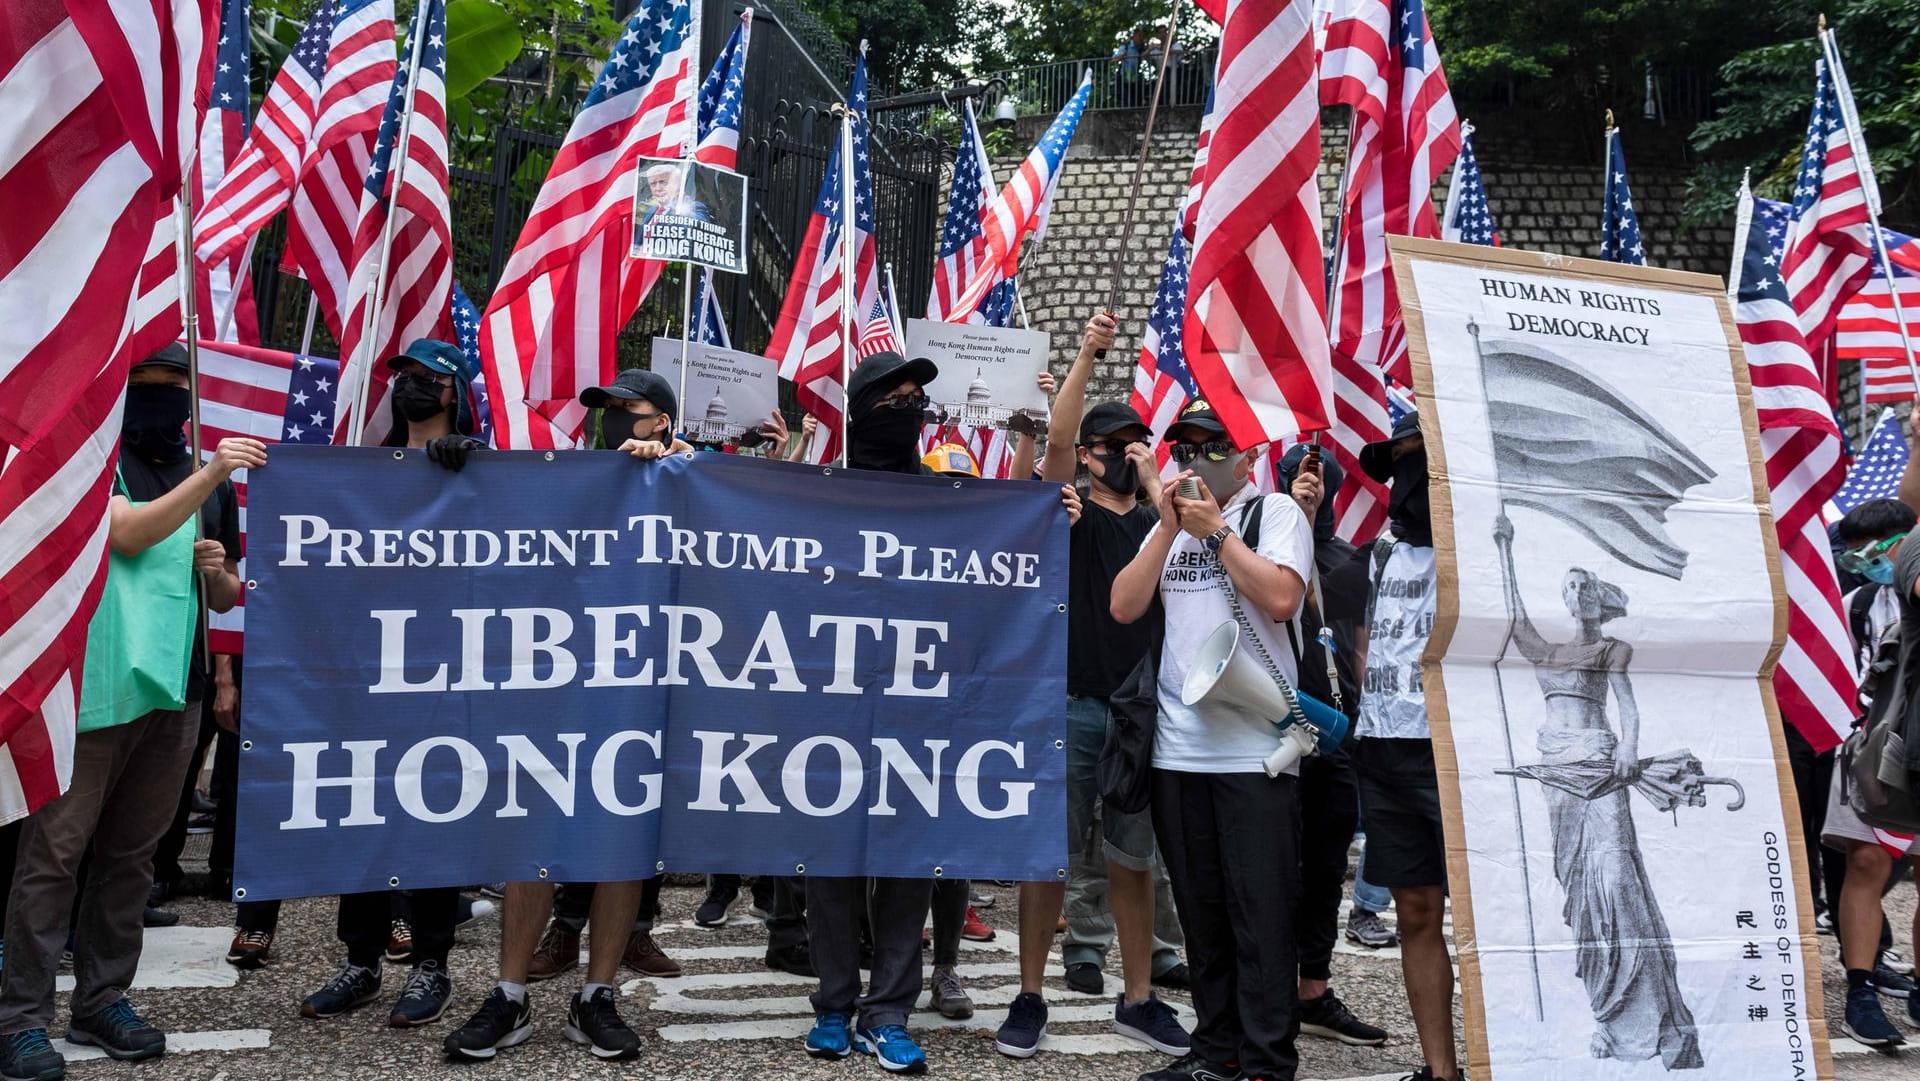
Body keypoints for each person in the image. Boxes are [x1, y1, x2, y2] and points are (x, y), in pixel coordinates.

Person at [800, 351, 1078, 1074]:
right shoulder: (811, 494)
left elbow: (999, 564)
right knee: (829, 863)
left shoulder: (946, 498)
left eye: (914, 398)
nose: (908, 407)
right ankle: (833, 1003)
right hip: (827, 708)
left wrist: (1047, 517)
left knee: (908, 863)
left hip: (918, 713)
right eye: (892, 397)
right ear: (860, 412)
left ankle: (887, 1009)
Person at [0, 344, 254, 1079]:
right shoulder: (91, 460)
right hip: (95, 688)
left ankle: (103, 998)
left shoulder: (211, 483)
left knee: (131, 856)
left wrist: (220, 574)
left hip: (179, 687)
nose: (163, 401)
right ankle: (21, 1017)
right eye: (146, 387)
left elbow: (228, 593)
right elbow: (126, 531)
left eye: (176, 388)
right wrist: (210, 473)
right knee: (55, 854)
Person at [442, 367, 688, 1063]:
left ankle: (597, 996)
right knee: (534, 836)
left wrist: (675, 464)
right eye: (603, 410)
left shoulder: (684, 473)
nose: (610, 419)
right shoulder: (569, 478)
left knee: (622, 845)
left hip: (640, 689)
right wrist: (451, 469)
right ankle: (510, 995)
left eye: (626, 410)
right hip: (555, 687)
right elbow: (496, 521)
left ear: (662, 420)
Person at [994, 314, 1191, 1064]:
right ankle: (1031, 994)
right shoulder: (1064, 511)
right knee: (1050, 853)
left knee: (1131, 858)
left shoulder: (1161, 522)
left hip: (1140, 710)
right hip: (1072, 702)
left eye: (1135, 444)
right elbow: (1057, 443)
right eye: (1111, 446)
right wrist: (1087, 353)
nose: (1122, 455)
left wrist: (1153, 486)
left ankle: (1138, 997)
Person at [1110, 399, 1315, 1081]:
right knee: (1203, 917)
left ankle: (1265, 1062)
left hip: (1256, 753)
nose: (1196, 460)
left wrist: (1219, 532)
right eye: (1186, 446)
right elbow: (1124, 604)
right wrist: (1168, 529)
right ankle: (1216, 1052)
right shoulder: (1170, 528)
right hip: (1179, 750)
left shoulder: (1272, 514)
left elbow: (1283, 598)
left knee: (1260, 916)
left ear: (1249, 455)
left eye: (1213, 445)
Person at [296, 340, 482, 1031]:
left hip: (444, 672)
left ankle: (432, 961)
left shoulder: (478, 468)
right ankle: (362, 960)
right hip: (371, 672)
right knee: (364, 814)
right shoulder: (366, 471)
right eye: (401, 376)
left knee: (434, 811)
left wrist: (469, 477)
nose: (408, 387)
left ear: (450, 393)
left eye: (424, 379)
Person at [1491, 521, 1704, 1068]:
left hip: (1600, 762)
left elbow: (1627, 704)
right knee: (1579, 887)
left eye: (1583, 586)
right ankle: (1610, 1020)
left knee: (1615, 880)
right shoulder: (1548, 651)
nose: (1575, 594)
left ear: (1599, 600)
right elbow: (1515, 622)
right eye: (1568, 588)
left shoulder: (1613, 648)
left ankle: (1653, 1013)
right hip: (1557, 769)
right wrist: (1505, 548)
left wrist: (1630, 747)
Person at [1350, 413, 1459, 1081]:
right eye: (1400, 468)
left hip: (1454, 751)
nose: (1407, 484)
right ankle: (1440, 1069)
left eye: (1420, 465)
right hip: (1385, 748)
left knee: (1483, 914)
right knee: (1415, 908)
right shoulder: (1383, 550)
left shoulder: (1480, 543)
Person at [1271, 446, 1389, 1049]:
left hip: (1336, 735)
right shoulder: (1260, 545)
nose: (1309, 484)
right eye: (1298, 475)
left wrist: (1370, 729)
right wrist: (1289, 522)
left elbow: (1358, 649)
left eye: (1319, 477)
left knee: (1323, 870)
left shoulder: (1347, 561)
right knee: (1268, 868)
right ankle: (1263, 995)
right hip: (1267, 730)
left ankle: (1312, 991)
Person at [1822, 500, 1920, 1047]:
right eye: (1855, 552)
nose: (1862, 560)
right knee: (1866, 861)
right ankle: (1860, 989)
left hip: (1917, 745)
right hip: (1865, 745)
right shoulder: (1855, 603)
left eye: (1872, 548)